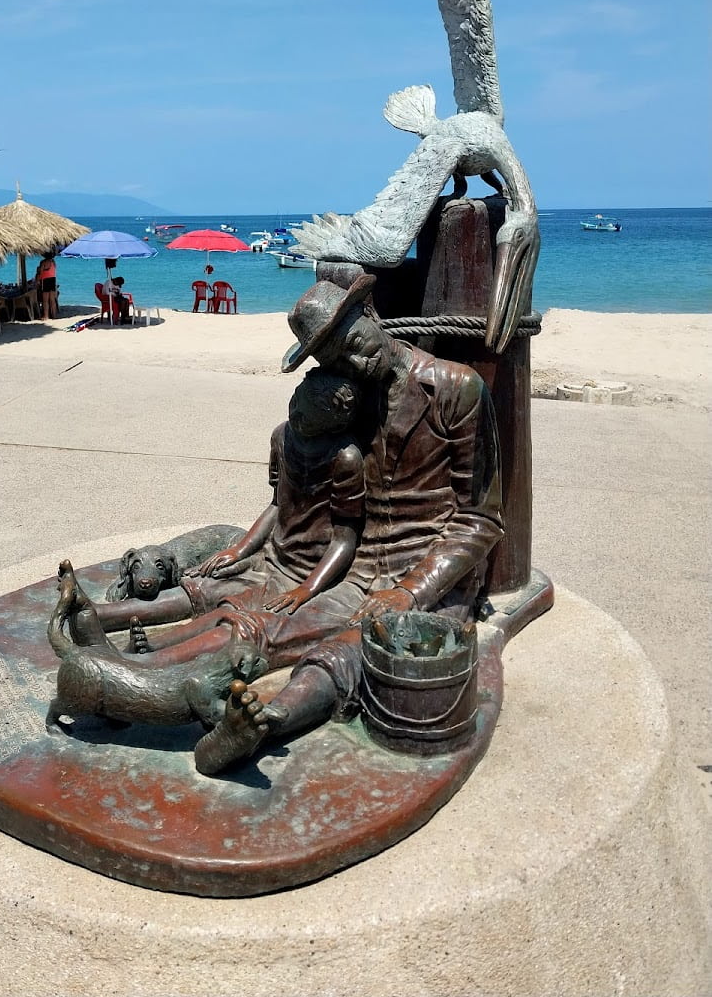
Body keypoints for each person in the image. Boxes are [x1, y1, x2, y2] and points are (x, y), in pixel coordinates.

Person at [70, 276, 504, 772]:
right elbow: (313, 488)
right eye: (336, 358)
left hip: (428, 578)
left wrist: (409, 592)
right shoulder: (347, 400)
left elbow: (480, 519)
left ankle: (263, 724)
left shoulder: (457, 389)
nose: (354, 364)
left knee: (349, 653)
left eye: (356, 344)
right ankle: (129, 676)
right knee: (267, 629)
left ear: (373, 316)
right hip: (358, 570)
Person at [71, 367, 365, 638]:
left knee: (234, 608)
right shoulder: (282, 436)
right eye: (295, 402)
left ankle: (153, 646)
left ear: (332, 422)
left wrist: (307, 589)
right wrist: (238, 550)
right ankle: (99, 616)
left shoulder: (346, 458)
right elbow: (276, 506)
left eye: (307, 415)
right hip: (272, 554)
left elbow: (344, 541)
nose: (296, 415)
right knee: (203, 584)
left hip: (307, 570)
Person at [34, 253, 58, 319]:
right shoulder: (53, 262)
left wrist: (38, 280)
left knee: (45, 300)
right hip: (53, 280)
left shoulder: (43, 262)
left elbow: (41, 272)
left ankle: (46, 316)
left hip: (46, 280)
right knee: (52, 300)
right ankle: (54, 315)